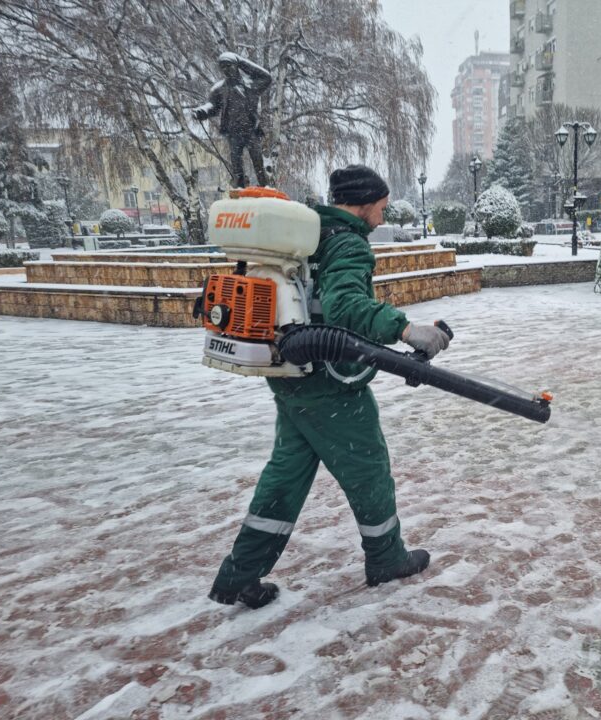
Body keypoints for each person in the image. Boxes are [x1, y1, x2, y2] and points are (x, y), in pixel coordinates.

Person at [208, 165, 451, 609]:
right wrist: (404, 329)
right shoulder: (349, 243)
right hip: (329, 383)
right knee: (369, 470)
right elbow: (344, 305)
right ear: (362, 202)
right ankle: (386, 558)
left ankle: (238, 575)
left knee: (285, 478)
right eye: (380, 205)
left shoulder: (307, 235)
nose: (382, 214)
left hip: (290, 376)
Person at [191, 52, 272, 188]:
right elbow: (213, 106)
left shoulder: (252, 84)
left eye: (229, 66)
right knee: (236, 163)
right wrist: (203, 111)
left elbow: (267, 77)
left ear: (236, 66)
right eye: (223, 67)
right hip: (233, 132)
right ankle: (240, 188)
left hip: (251, 130)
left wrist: (241, 61)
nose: (226, 70)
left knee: (257, 161)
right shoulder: (219, 89)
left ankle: (265, 186)